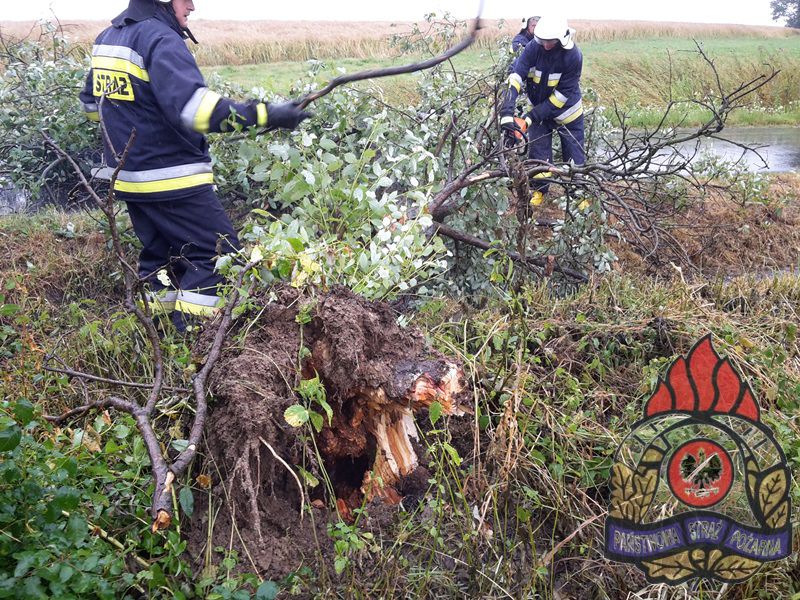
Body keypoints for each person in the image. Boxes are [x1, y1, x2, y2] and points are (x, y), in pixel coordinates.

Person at [79, 0, 310, 330]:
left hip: (129, 179)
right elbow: (197, 110)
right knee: (218, 255)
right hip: (171, 179)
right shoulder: (160, 39)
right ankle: (195, 340)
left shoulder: (109, 38)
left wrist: (132, 118)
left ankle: (156, 338)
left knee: (162, 258)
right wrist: (267, 114)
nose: (192, 5)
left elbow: (91, 106)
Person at [500, 15, 584, 206]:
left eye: (551, 41)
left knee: (574, 155)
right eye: (544, 40)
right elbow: (516, 76)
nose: (546, 45)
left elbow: (560, 97)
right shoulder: (533, 48)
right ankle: (539, 190)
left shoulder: (573, 56)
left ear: (561, 39)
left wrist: (529, 117)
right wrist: (507, 112)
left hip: (568, 112)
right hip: (538, 106)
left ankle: (578, 194)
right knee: (539, 153)